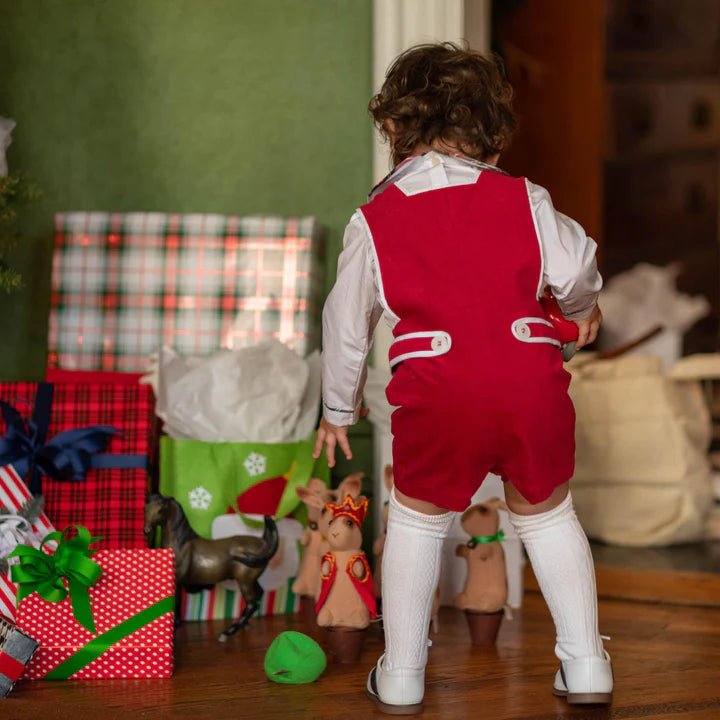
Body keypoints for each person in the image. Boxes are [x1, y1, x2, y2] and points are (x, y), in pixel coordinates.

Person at [313, 42, 610, 715]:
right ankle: (587, 664)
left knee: (418, 521)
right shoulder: (524, 198)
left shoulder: (374, 219)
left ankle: (403, 674)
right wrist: (581, 313)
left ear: (394, 129)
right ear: (487, 133)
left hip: (438, 387)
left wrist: (338, 408)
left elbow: (345, 324)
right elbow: (577, 268)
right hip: (527, 377)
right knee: (548, 513)